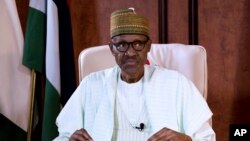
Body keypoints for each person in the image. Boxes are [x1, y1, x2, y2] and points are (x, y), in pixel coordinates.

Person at [53, 8, 215, 141]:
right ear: (111, 48)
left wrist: (187, 140)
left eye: (138, 44)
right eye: (122, 44)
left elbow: (207, 138)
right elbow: (63, 137)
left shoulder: (177, 83)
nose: (130, 52)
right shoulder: (91, 84)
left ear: (148, 46)